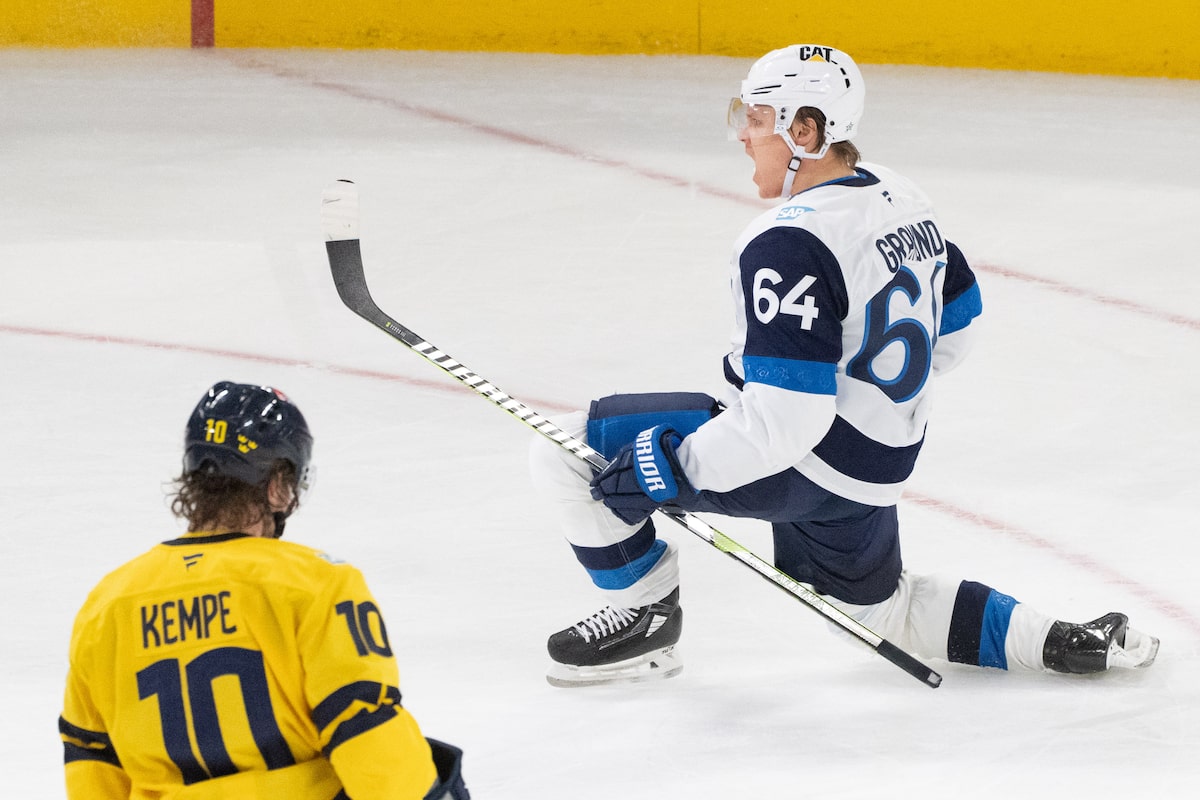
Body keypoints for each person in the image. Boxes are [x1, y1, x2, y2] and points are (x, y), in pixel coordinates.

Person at [529, 44, 1159, 687]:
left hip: (806, 459)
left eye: (756, 119)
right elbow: (959, 326)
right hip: (875, 462)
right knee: (875, 611)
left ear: (805, 130)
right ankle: (1065, 642)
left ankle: (644, 620)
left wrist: (673, 468)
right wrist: (875, 395)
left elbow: (787, 421)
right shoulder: (901, 196)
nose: (744, 136)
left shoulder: (789, 241)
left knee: (570, 450)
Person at [59, 381, 468, 799]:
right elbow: (364, 726)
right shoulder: (315, 584)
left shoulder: (107, 604)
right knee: (436, 766)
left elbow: (91, 757)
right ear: (276, 486)